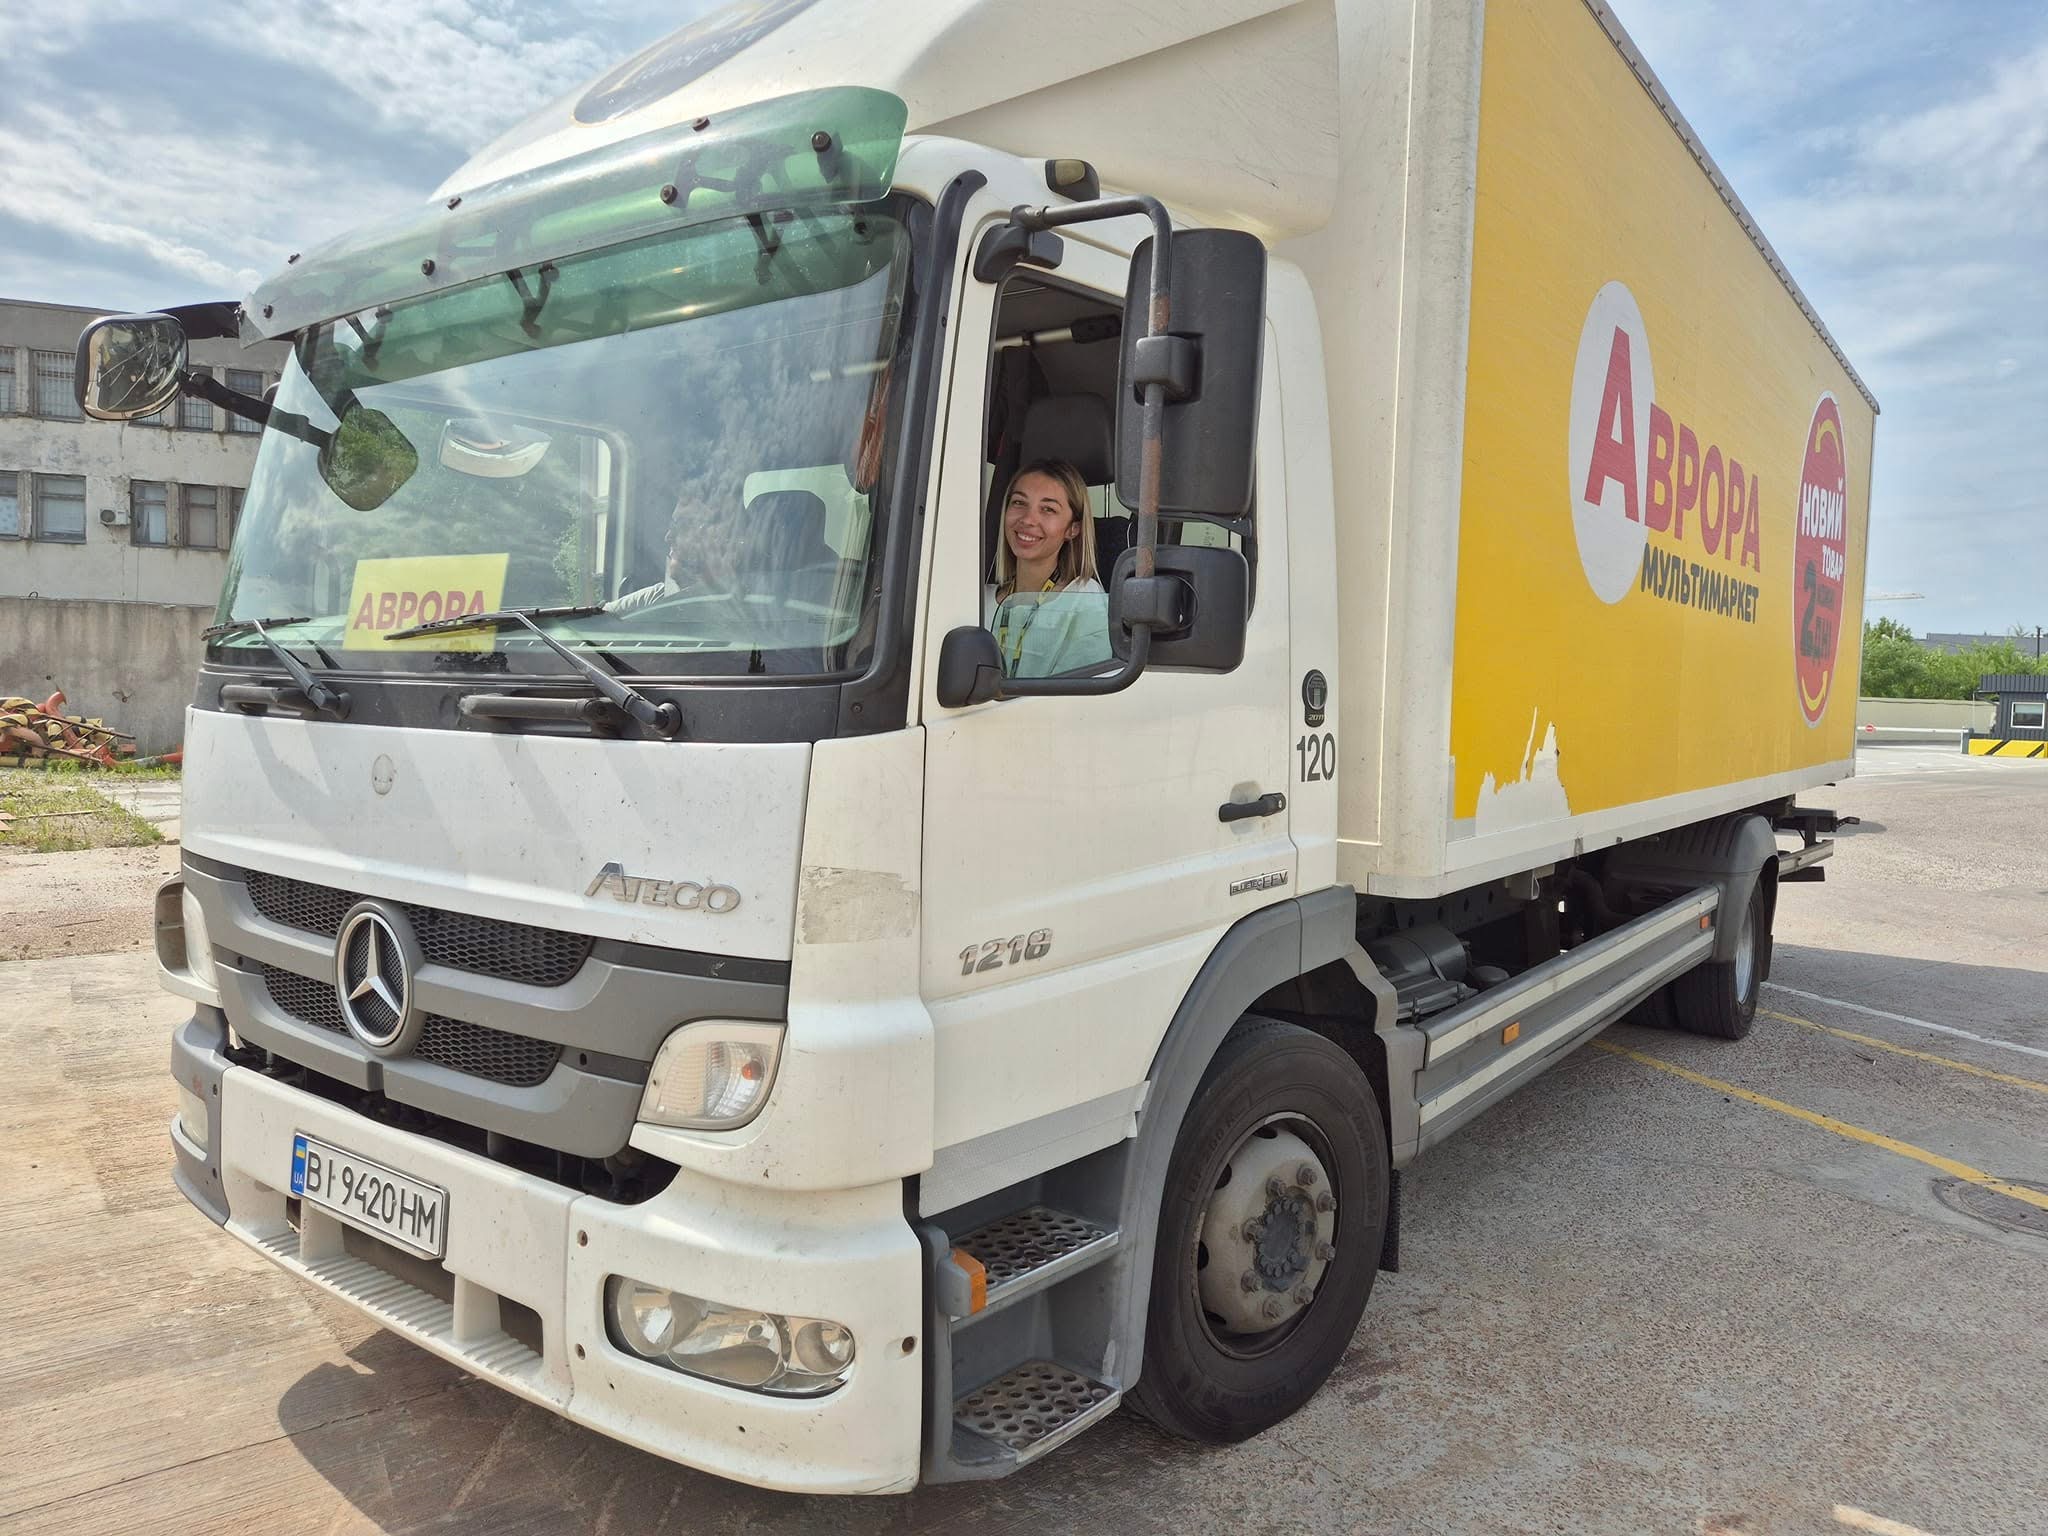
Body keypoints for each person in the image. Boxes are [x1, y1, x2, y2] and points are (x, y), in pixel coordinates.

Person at [986, 459, 1113, 678]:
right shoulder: (978, 599)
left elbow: (1076, 695)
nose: (1028, 519)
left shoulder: (1084, 599)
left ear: (1073, 529)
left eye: (1048, 509)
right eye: (1019, 503)